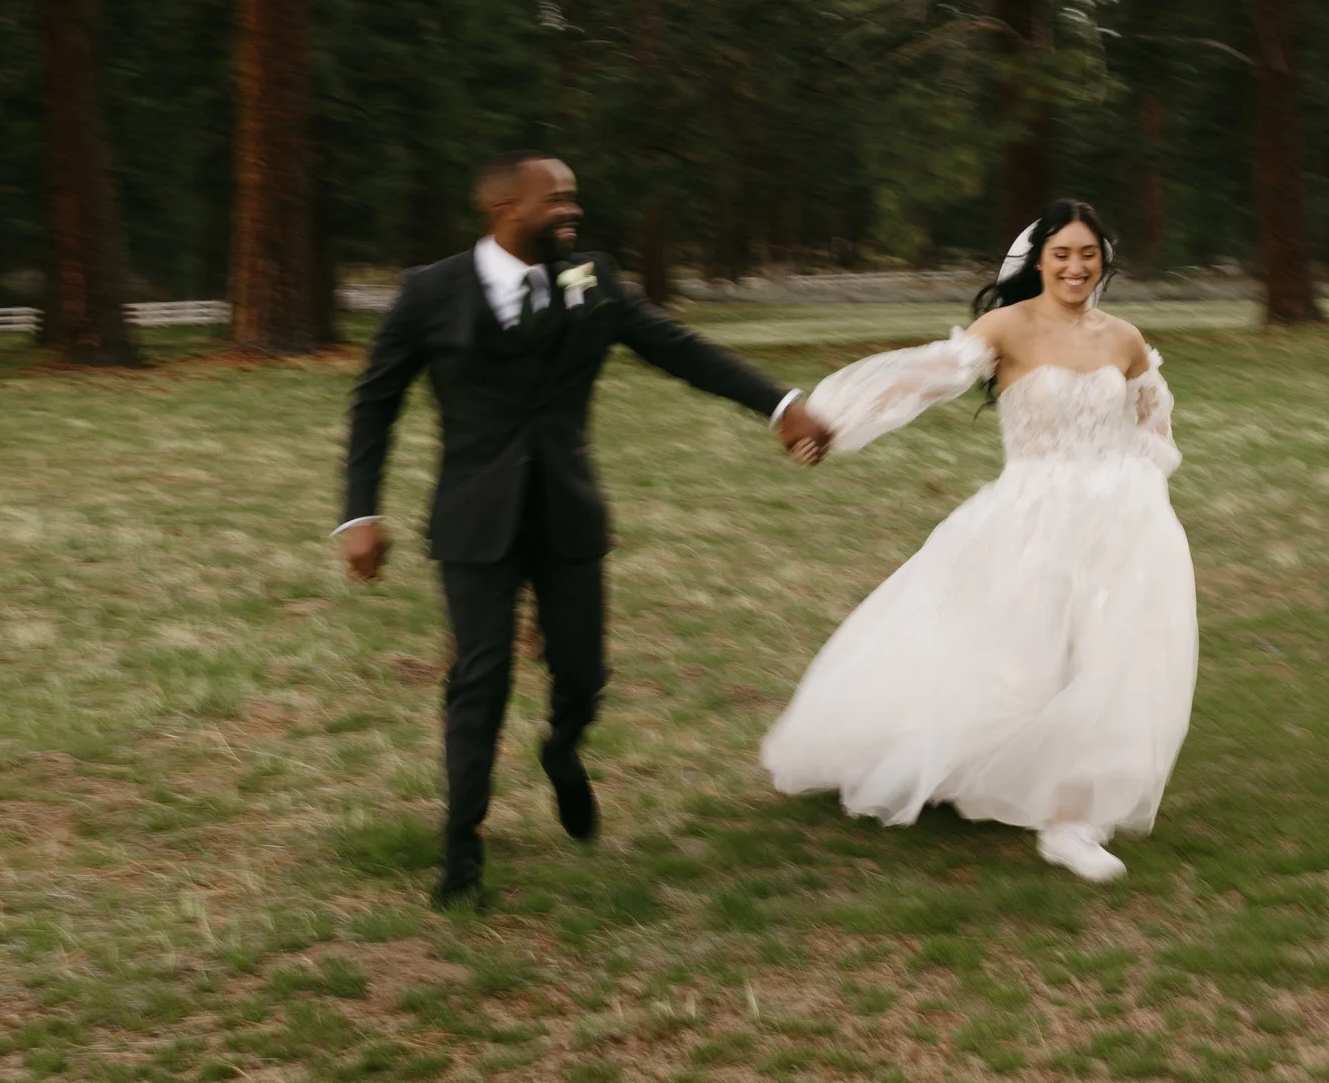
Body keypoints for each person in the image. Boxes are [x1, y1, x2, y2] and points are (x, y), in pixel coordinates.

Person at [339, 152, 831, 908]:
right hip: (475, 520)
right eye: (556, 199)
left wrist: (778, 404)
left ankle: (562, 752)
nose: (572, 210)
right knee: (481, 678)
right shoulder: (429, 293)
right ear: (504, 208)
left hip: (568, 513)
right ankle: (461, 852)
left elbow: (679, 350)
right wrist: (361, 511)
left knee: (582, 676)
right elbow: (376, 401)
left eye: (574, 197)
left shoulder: (592, 280)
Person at [762, 200, 1198, 882]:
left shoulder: (1124, 338)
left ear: (1103, 263)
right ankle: (953, 758)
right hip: (1031, 514)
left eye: (1088, 255)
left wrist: (1135, 482)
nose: (1076, 266)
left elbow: (1155, 421)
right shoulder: (1009, 326)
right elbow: (923, 380)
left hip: (1120, 520)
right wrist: (835, 421)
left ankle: (1070, 818)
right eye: (1062, 254)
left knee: (1103, 657)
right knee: (1015, 656)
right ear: (1040, 261)